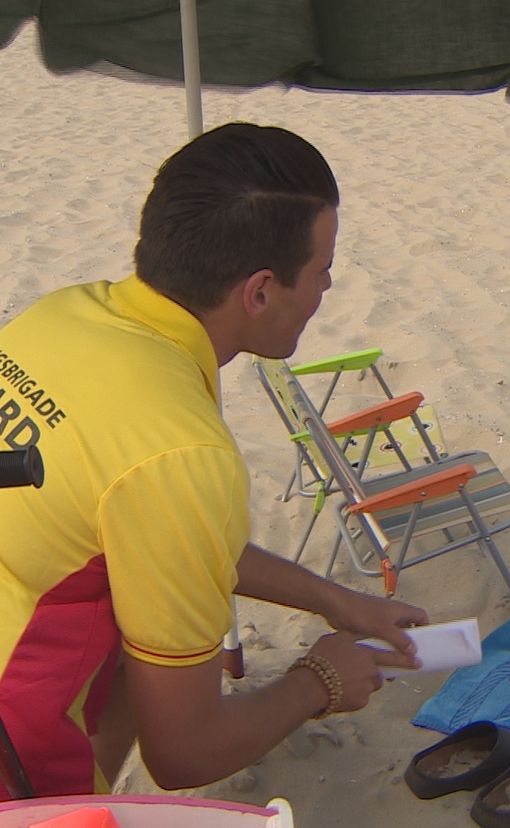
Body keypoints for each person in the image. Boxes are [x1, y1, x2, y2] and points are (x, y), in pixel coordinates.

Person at [0, 123, 429, 799]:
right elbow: (182, 754)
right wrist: (317, 682)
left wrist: (334, 600)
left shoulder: (60, 316)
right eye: (322, 271)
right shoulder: (182, 449)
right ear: (259, 293)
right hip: (19, 758)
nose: (324, 289)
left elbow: (161, 531)